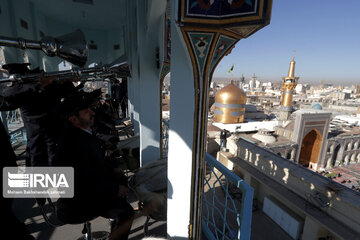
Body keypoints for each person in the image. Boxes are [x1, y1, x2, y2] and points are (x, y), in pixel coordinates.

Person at [54, 89, 134, 240]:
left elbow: (95, 166)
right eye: (86, 111)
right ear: (74, 119)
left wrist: (113, 169)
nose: (92, 112)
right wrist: (115, 189)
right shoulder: (74, 144)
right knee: (126, 213)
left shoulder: (82, 134)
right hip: (77, 203)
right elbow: (85, 180)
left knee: (121, 180)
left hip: (86, 193)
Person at [1, 63, 76, 167]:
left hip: (47, 141)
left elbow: (66, 92)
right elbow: (5, 101)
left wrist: (66, 82)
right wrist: (43, 85)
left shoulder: (35, 88)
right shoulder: (26, 90)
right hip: (43, 142)